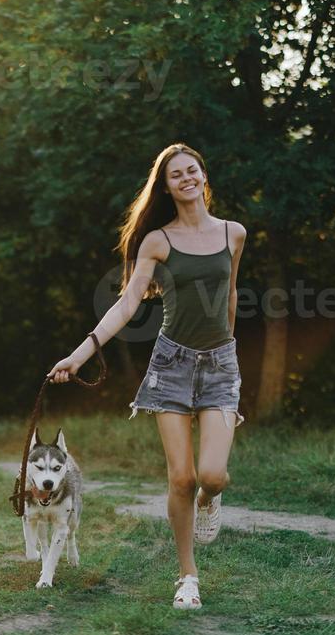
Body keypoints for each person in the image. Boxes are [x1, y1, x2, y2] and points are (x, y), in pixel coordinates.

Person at [48, 142, 246, 610]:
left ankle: (209, 499)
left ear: (203, 175)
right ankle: (187, 576)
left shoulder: (233, 234)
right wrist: (78, 355)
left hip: (220, 364)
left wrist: (228, 351)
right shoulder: (158, 240)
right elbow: (127, 304)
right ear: (167, 186)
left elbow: (232, 294)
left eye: (192, 170)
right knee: (181, 477)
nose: (186, 179)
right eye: (175, 175)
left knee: (212, 476)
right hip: (171, 366)